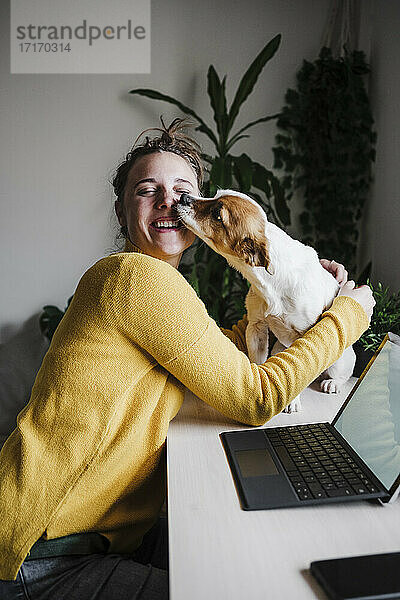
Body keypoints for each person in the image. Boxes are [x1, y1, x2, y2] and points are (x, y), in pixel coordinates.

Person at [0, 119, 375, 599]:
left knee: (233, 560)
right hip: (43, 555)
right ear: (120, 210)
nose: (169, 202)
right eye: (146, 190)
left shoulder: (154, 286)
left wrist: (293, 294)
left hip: (88, 536)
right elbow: (256, 398)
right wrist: (346, 315)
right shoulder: (137, 278)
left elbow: (216, 353)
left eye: (182, 190)